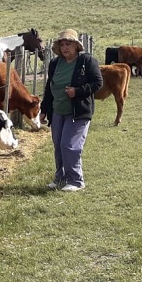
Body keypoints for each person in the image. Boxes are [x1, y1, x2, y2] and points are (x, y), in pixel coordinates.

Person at [41, 29, 103, 192]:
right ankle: (60, 178)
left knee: (69, 145)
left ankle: (76, 180)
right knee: (58, 145)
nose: (64, 48)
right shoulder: (55, 64)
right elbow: (49, 87)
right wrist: (44, 109)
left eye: (68, 44)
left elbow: (97, 82)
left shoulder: (86, 61)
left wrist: (77, 91)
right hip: (58, 110)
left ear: (76, 46)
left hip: (78, 110)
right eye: (62, 44)